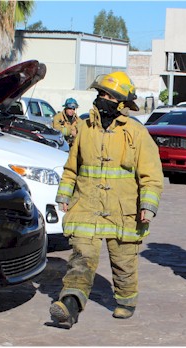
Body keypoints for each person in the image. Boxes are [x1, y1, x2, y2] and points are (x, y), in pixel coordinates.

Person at [49, 71, 164, 328]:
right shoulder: (85, 129)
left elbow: (151, 175)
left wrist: (148, 206)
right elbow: (72, 167)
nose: (102, 99)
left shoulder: (136, 133)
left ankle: (126, 300)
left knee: (124, 263)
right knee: (81, 258)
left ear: (121, 103)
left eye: (108, 96)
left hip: (123, 211)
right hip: (86, 206)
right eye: (100, 94)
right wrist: (64, 195)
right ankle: (70, 304)